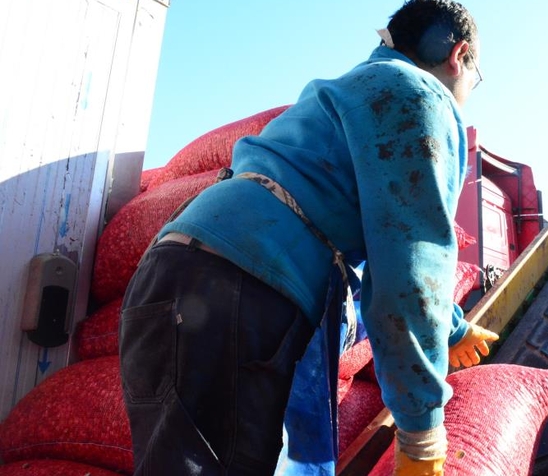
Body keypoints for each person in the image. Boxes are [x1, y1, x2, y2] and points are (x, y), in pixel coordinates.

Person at [118, 1, 498, 475]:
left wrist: (454, 328)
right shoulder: (418, 94)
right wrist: (422, 434)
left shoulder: (340, 94)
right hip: (237, 290)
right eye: (476, 77)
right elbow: (408, 271)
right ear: (459, 55)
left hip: (167, 277)